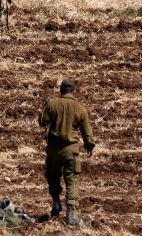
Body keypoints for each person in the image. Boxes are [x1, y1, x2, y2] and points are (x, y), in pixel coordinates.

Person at [39, 79, 95, 226]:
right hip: (71, 150)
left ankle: (56, 202)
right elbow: (86, 132)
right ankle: (71, 213)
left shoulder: (52, 104)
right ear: (74, 91)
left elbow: (42, 122)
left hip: (53, 150)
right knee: (72, 179)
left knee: (52, 176)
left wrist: (45, 107)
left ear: (60, 90)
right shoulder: (80, 108)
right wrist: (89, 146)